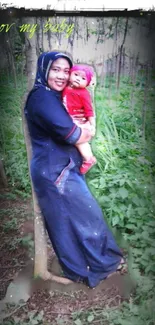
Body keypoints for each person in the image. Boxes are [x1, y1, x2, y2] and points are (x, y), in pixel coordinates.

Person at [24, 51, 126, 288]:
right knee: (84, 217)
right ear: (43, 70)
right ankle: (99, 266)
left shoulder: (52, 96)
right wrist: (88, 130)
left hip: (58, 169)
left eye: (65, 70)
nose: (61, 75)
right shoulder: (43, 99)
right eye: (55, 69)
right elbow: (73, 134)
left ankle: (83, 269)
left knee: (68, 220)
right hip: (54, 172)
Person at [62, 64, 96, 174]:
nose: (78, 79)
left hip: (80, 122)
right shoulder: (65, 87)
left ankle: (89, 159)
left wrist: (92, 126)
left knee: (79, 141)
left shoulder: (84, 93)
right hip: (68, 118)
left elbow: (89, 111)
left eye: (83, 78)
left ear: (87, 83)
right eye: (76, 75)